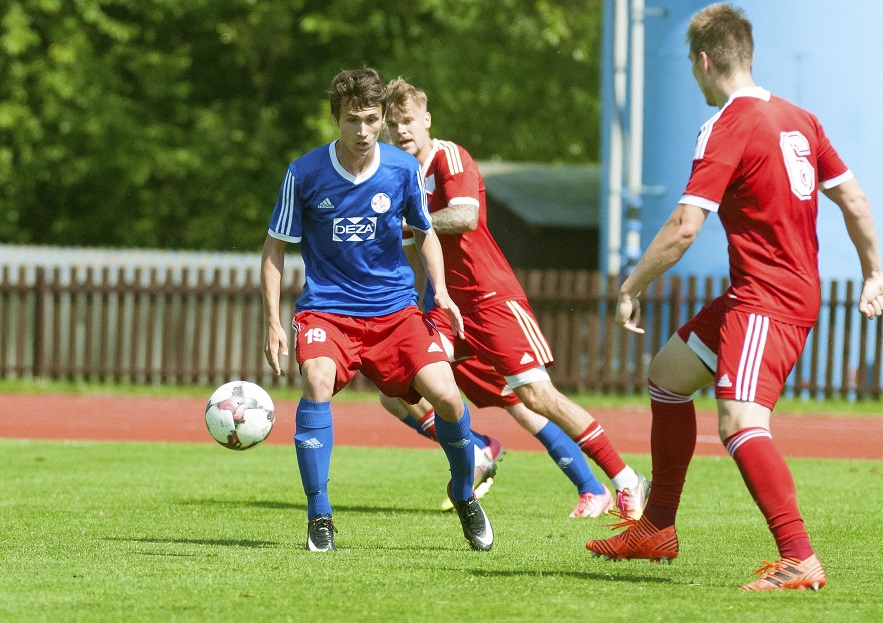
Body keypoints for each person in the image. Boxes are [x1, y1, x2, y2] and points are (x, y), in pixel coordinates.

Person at [585, 3, 883, 591]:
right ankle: (656, 528)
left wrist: (631, 286)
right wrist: (873, 274)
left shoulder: (727, 125)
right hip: (762, 292)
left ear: (703, 61)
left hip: (768, 299)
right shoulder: (801, 119)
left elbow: (684, 228)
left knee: (741, 422)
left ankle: (799, 557)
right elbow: (854, 201)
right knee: (668, 376)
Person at [383, 77, 650, 521]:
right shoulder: (400, 176)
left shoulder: (450, 157)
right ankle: (477, 451)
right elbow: (415, 252)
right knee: (397, 379)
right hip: (448, 308)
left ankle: (624, 479)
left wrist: (408, 221)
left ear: (426, 120)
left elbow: (465, 216)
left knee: (536, 397)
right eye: (393, 124)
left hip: (491, 300)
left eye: (407, 120)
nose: (401, 130)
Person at [261, 67, 494, 553]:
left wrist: (442, 292)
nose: (363, 131)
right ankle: (319, 515)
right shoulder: (304, 173)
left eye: (371, 120)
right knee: (317, 381)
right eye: (353, 120)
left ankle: (464, 494)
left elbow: (425, 233)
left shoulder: (403, 169)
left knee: (448, 398)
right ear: (336, 119)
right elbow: (274, 249)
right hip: (328, 312)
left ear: (382, 118)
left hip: (394, 313)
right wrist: (273, 322)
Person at [380, 318, 617, 519]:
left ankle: (593, 489)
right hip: (440, 329)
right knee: (392, 396)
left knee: (526, 408)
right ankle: (479, 448)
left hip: (465, 330)